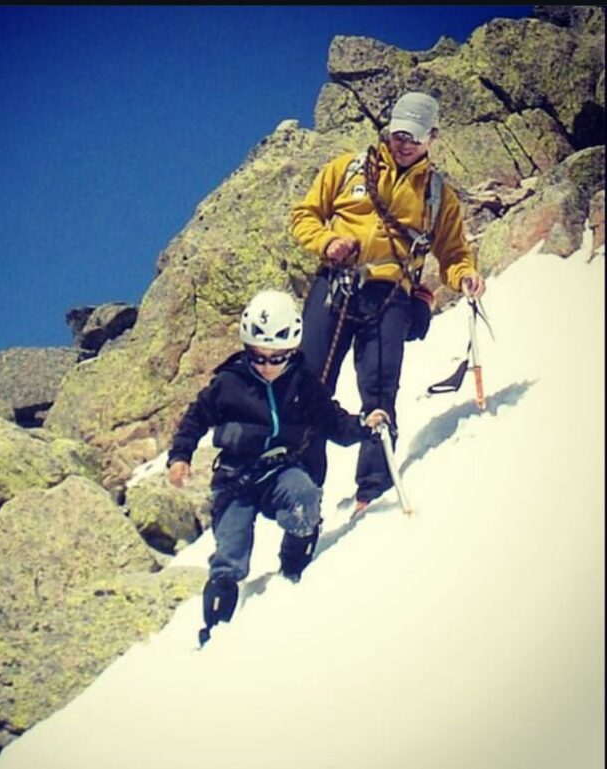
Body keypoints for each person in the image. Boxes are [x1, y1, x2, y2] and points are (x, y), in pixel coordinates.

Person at [290, 91, 485, 514]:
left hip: (390, 295)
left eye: (414, 137)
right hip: (336, 282)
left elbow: (452, 252)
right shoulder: (346, 169)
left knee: (379, 389)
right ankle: (306, 488)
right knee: (309, 384)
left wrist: (463, 275)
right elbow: (304, 216)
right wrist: (328, 241)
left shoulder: (437, 195)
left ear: (432, 136)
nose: (404, 143)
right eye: (399, 134)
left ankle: (373, 486)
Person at [167, 289, 387, 646]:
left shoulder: (303, 382)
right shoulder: (229, 382)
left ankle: (294, 567)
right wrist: (180, 456)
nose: (268, 366)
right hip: (234, 478)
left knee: (304, 498)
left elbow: (331, 420)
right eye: (258, 358)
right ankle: (216, 625)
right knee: (230, 552)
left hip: (280, 469)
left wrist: (364, 427)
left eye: (277, 358)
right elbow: (195, 419)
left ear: (293, 351)